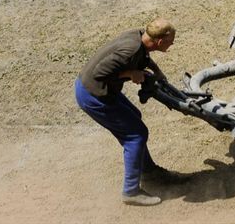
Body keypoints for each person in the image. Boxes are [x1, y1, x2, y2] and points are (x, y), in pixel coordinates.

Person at [75, 18, 183, 206]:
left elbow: (144, 57)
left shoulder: (140, 36)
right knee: (136, 134)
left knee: (134, 119)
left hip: (100, 90)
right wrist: (130, 74)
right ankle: (131, 191)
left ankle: (149, 173)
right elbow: (100, 73)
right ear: (159, 41)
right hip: (93, 95)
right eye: (171, 40)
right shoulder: (130, 50)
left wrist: (156, 70)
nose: (172, 43)